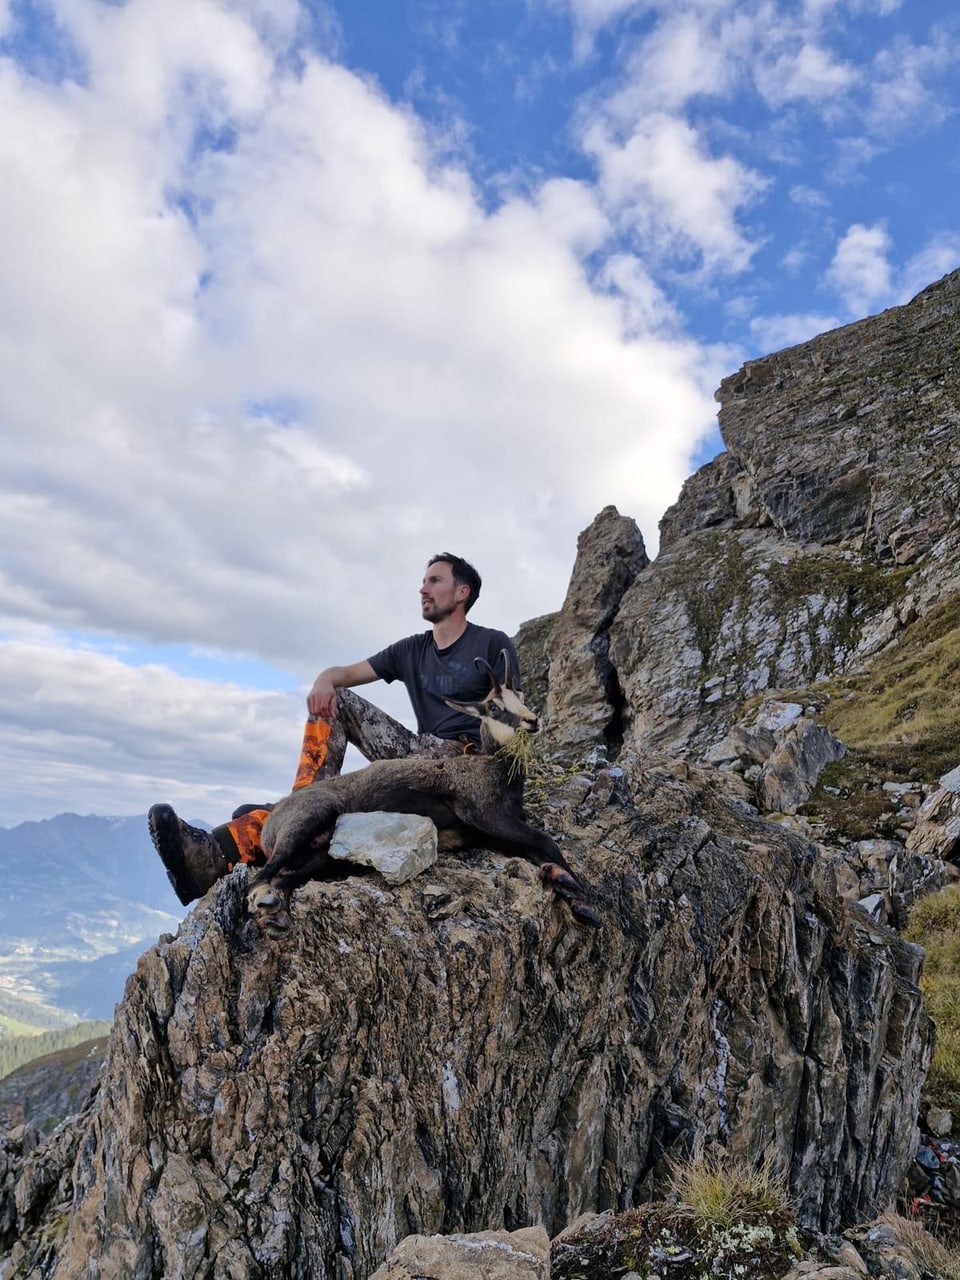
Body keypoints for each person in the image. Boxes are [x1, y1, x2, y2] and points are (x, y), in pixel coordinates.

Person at [148, 553, 522, 905]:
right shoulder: (411, 649)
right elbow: (344, 675)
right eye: (422, 581)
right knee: (336, 702)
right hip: (418, 759)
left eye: (434, 581)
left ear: (461, 592)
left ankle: (233, 842)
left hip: (464, 765)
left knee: (337, 796)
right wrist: (324, 679)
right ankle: (274, 822)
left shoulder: (491, 643)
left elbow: (510, 720)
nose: (422, 589)